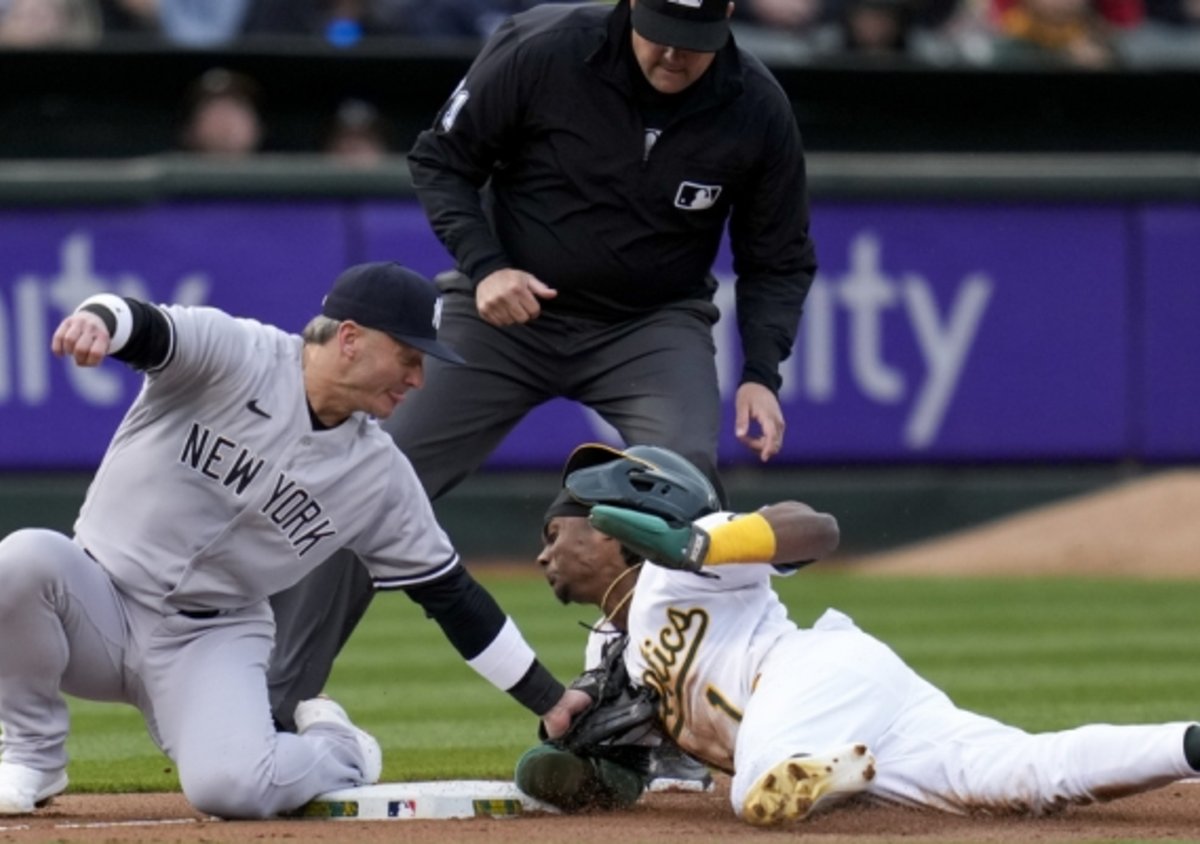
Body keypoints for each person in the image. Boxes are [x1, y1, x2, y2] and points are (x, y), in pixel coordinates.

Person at [266, 0, 816, 752]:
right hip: (504, 312)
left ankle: (677, 722)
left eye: (696, 45)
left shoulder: (754, 103)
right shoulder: (544, 48)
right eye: (661, 37)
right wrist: (486, 267)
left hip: (649, 324)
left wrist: (761, 370)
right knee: (367, 478)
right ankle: (272, 703)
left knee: (686, 494)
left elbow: (777, 254)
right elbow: (440, 160)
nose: (673, 58)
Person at [0, 262, 588, 819]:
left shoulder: (377, 475)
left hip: (208, 639)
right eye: (408, 357)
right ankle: (31, 756)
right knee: (21, 558)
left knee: (233, 789)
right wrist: (98, 321)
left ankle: (341, 748)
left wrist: (550, 701)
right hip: (97, 602)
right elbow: (143, 324)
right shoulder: (238, 354)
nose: (418, 378)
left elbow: (451, 595)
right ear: (351, 338)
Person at [515, 442, 1200, 824]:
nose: (543, 556)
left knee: (754, 792)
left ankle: (823, 773)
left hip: (812, 674)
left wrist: (700, 547)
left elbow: (814, 528)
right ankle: (1188, 743)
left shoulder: (688, 562)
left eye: (554, 534)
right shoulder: (608, 652)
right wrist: (563, 740)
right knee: (1018, 777)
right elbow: (604, 775)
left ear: (609, 524)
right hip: (852, 717)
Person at [177, 67, 265, 157]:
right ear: (189, 130)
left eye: (235, 107)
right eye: (213, 109)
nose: (225, 121)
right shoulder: (169, 168)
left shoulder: (277, 168)